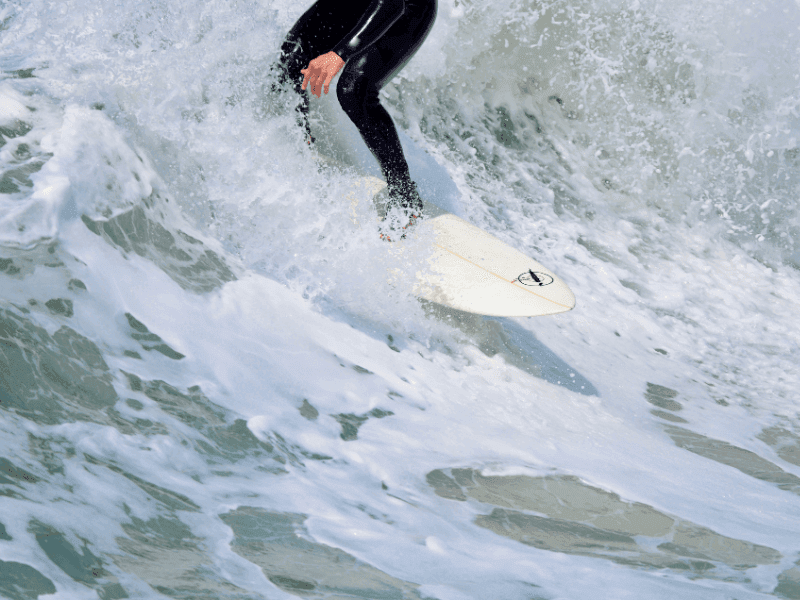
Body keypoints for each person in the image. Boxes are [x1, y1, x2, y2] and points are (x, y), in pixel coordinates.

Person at [272, 0, 437, 240]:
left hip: (404, 9)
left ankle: (405, 196)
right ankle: (301, 158)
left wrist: (339, 54)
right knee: (291, 61)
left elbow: (391, 5)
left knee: (354, 92)